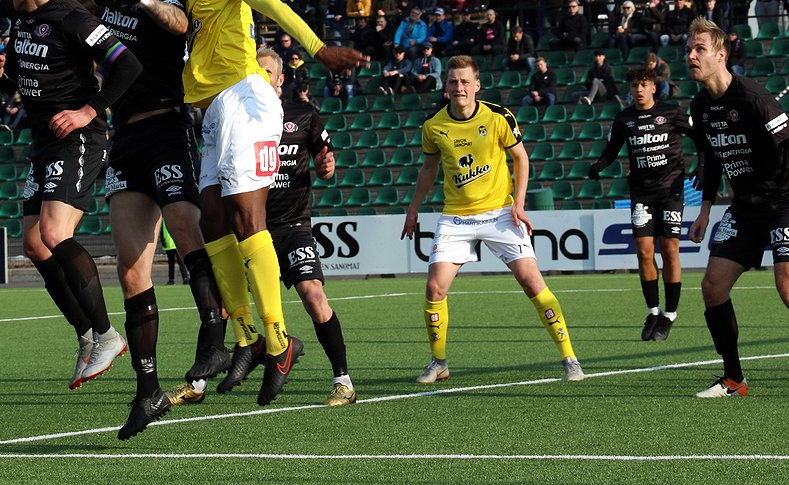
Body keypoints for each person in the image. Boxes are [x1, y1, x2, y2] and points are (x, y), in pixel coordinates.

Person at [146, 0, 364, 406]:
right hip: (215, 111)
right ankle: (245, 335)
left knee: (247, 218)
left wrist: (315, 47)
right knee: (213, 219)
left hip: (245, 97)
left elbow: (266, 0)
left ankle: (278, 341)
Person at [88, 0, 235, 438]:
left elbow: (180, 25)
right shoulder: (101, 1)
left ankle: (215, 335)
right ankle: (148, 390)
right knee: (131, 270)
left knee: (185, 224)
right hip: (124, 140)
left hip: (167, 128)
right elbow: (66, 2)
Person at [0, 0, 143, 396]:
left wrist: (89, 111)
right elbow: (25, 79)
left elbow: (127, 65)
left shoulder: (75, 19)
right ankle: (88, 336)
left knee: (55, 234)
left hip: (78, 138)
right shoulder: (24, 21)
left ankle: (108, 335)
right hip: (43, 141)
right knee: (34, 244)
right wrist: (1, 73)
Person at [686, 17, 789, 398]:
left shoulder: (752, 97)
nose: (692, 56)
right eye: (689, 50)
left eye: (700, 50)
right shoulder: (700, 104)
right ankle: (733, 380)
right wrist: (706, 209)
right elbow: (712, 159)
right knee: (712, 287)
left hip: (783, 204)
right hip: (744, 208)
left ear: (721, 54)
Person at [402, 55, 584, 383]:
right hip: (456, 217)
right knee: (434, 289)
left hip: (500, 212)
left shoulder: (498, 116)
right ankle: (439, 362)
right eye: (453, 82)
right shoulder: (433, 125)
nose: (459, 87)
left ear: (476, 85)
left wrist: (520, 204)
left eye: (464, 82)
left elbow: (521, 159)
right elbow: (428, 170)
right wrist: (413, 208)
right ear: (446, 87)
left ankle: (569, 356)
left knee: (532, 283)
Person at [256, 49, 357, 406]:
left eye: (266, 70)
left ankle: (343, 381)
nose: (260, 75)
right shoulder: (242, 114)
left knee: (314, 297)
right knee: (224, 303)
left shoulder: (303, 115)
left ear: (280, 79)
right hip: (254, 229)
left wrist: (327, 166)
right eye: (254, 69)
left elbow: (325, 162)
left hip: (294, 225)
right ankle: (200, 384)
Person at [591, 66, 697, 340]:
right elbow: (611, 150)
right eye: (634, 85)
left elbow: (701, 138)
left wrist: (704, 164)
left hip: (671, 192)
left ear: (653, 87)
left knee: (670, 250)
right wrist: (598, 165)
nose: (638, 89)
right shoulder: (624, 119)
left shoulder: (672, 112)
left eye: (644, 84)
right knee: (644, 252)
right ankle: (653, 311)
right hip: (641, 194)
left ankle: (670, 315)